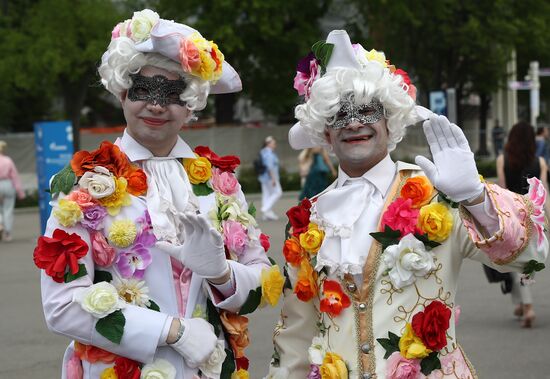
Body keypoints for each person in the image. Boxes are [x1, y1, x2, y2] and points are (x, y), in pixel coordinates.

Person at [267, 30, 548, 379]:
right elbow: (295, 335)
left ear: (390, 119)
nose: (354, 122)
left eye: (367, 110)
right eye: (339, 114)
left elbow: (533, 256)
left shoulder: (438, 193)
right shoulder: (308, 219)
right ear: (325, 133)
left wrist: (475, 196)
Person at [34, 10, 276, 379]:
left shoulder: (218, 183)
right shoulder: (81, 184)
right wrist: (170, 332)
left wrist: (222, 274)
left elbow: (262, 283)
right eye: (144, 90)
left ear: (191, 103)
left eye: (173, 93)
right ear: (122, 92)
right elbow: (61, 306)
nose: (157, 105)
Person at [496, 121, 549, 327]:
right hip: (534, 218)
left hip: (511, 217)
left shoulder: (502, 160)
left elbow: (500, 191)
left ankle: (528, 307)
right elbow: (544, 194)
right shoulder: (540, 162)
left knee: (514, 262)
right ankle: (520, 304)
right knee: (527, 263)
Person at [0, 140, 25, 242]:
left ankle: (0, 224)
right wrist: (20, 192)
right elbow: (15, 176)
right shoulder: (8, 160)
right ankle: (8, 233)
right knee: (8, 209)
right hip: (7, 184)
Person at [258, 136, 282, 220]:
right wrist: (273, 179)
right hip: (270, 177)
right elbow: (270, 167)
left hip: (264, 177)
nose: (275, 144)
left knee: (267, 194)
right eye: (273, 143)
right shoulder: (269, 154)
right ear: (268, 144)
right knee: (278, 192)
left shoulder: (264, 152)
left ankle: (267, 214)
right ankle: (265, 209)